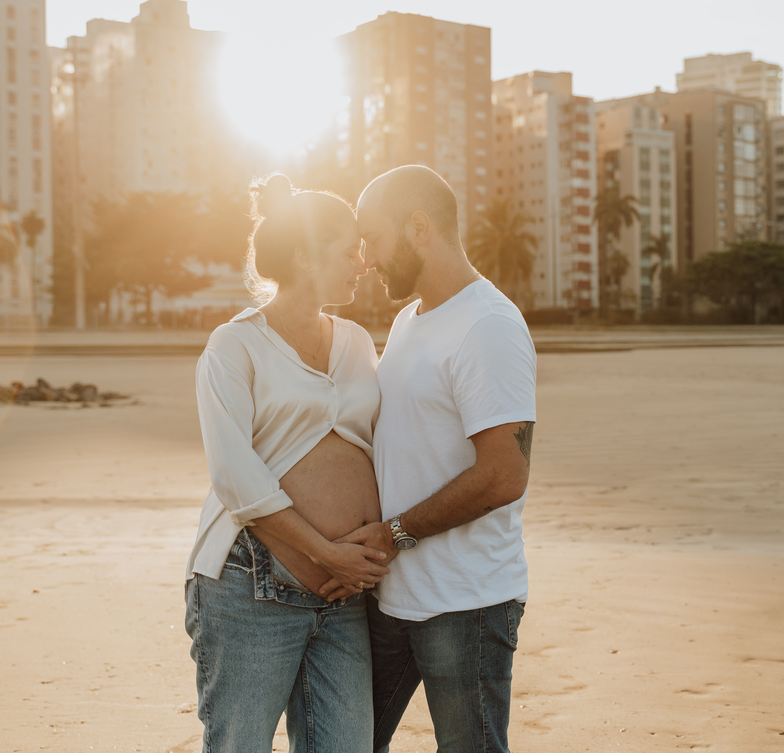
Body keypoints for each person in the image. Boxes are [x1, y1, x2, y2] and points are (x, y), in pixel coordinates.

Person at [332, 165, 537, 753]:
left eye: (372, 237)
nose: (366, 258)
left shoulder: (488, 325)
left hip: (465, 603)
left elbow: (504, 474)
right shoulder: (409, 319)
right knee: (341, 742)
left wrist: (396, 532)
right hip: (391, 596)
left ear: (419, 227)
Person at [184, 174, 390, 753]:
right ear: (303, 254)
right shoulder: (235, 346)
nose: (362, 263)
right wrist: (326, 551)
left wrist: (370, 549)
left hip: (343, 596)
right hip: (250, 585)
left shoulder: (355, 342)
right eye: (348, 252)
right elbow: (234, 475)